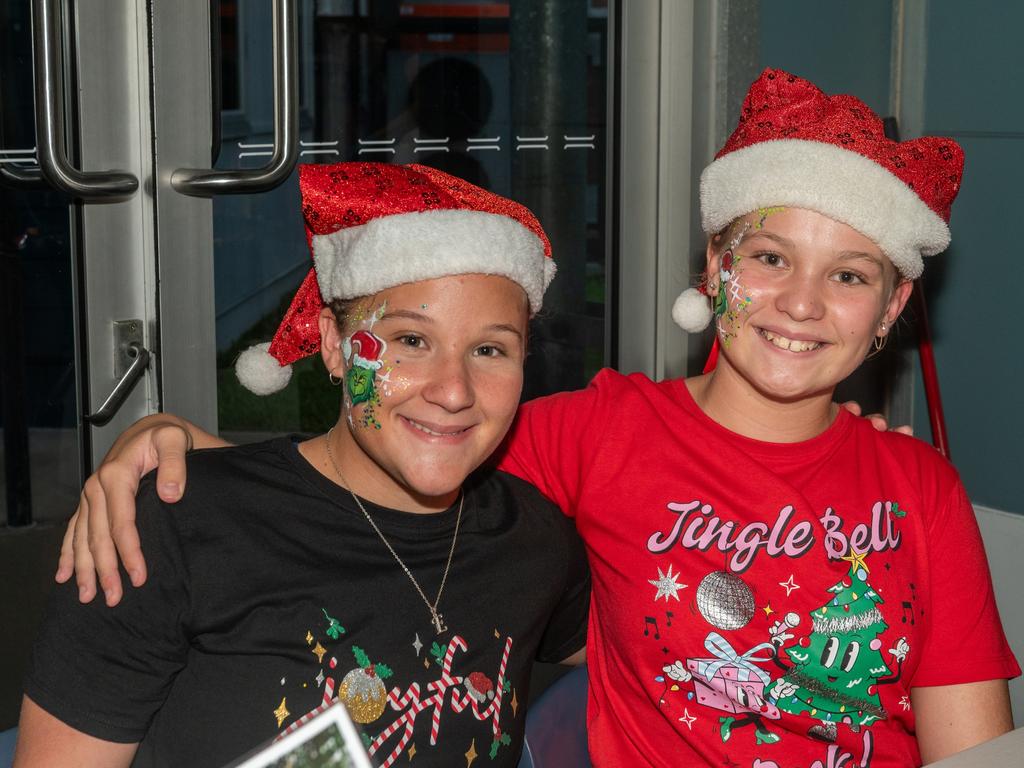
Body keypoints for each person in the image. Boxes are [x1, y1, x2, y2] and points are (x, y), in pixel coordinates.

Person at [52, 71, 1020, 766]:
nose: (800, 303)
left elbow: (967, 744)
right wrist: (176, 452)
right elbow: (388, 456)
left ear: (890, 312)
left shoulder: (920, 491)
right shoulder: (595, 433)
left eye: (848, 276)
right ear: (713, 268)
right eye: (768, 258)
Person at [15, 162, 590, 768]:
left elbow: (660, 661)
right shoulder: (171, 529)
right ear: (335, 347)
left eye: (490, 349)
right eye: (411, 340)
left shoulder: (533, 540)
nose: (453, 391)